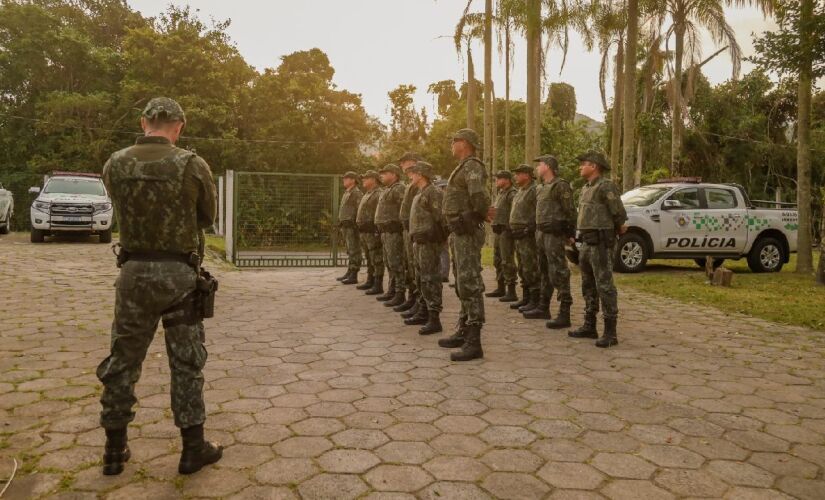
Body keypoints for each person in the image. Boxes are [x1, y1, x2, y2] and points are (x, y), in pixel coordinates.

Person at [97, 97, 221, 476]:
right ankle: (191, 449)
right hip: (179, 277)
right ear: (179, 126)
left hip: (133, 273)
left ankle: (114, 451)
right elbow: (206, 217)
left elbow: (117, 201)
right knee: (186, 362)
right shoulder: (192, 165)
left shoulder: (115, 163)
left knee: (123, 360)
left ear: (143, 121)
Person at [437, 128, 490, 362]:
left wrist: (473, 216)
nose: (451, 143)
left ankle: (474, 341)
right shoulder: (463, 166)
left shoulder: (472, 166)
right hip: (459, 232)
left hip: (467, 232)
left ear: (466, 143)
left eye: (454, 140)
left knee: (469, 282)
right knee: (461, 280)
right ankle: (464, 328)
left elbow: (479, 197)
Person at [568, 151, 628, 347]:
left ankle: (610, 332)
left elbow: (618, 212)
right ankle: (589, 325)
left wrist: (617, 229)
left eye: (583, 164)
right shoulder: (585, 188)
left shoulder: (605, 186)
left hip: (601, 243)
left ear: (594, 166)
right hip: (586, 243)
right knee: (588, 284)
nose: (580, 167)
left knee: (604, 285)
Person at [534, 154, 576, 328]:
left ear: (548, 166)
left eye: (540, 164)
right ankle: (544, 306)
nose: (537, 168)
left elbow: (570, 211)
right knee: (543, 270)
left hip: (554, 234)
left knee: (558, 271)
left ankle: (564, 312)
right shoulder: (542, 187)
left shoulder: (561, 186)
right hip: (541, 233)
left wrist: (569, 232)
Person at [408, 161, 447, 335]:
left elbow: (442, 218)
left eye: (414, 172)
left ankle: (434, 318)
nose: (411, 175)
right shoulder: (419, 193)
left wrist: (436, 237)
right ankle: (423, 311)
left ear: (422, 174)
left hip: (430, 243)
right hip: (419, 242)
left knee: (431, 279)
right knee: (421, 278)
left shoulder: (434, 192)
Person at [508, 164, 543, 319]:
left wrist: (529, 228)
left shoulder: (533, 190)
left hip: (527, 235)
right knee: (522, 266)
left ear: (527, 176)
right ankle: (527, 297)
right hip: (518, 235)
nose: (515, 177)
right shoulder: (521, 191)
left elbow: (538, 212)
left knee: (531, 267)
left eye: (518, 174)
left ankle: (536, 300)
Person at [396, 153, 424, 315]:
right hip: (407, 229)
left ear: (414, 163)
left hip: (415, 230)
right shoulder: (411, 183)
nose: (402, 166)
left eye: (405, 162)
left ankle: (418, 301)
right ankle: (412, 298)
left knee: (416, 267)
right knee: (410, 266)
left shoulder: (420, 183)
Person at [375, 164, 407, 306]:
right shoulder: (387, 189)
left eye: (385, 173)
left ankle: (400, 293)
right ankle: (392, 290)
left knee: (396, 263)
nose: (381, 175)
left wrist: (398, 225)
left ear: (394, 174)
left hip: (394, 232)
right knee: (389, 263)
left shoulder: (399, 188)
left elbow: (404, 209)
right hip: (385, 232)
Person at [487, 170, 518, 302]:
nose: (496, 181)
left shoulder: (512, 194)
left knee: (507, 260)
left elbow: (514, 213)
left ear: (506, 180)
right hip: (498, 230)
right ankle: (501, 287)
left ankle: (511, 290)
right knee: (498, 259)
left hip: (507, 230)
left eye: (498, 179)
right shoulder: (500, 193)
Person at [356, 170, 385, 295]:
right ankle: (370, 280)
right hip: (365, 231)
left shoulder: (378, 194)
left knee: (376, 257)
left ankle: (378, 284)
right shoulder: (367, 193)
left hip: (372, 231)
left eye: (366, 178)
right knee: (369, 257)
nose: (363, 180)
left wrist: (377, 230)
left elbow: (379, 213)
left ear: (373, 179)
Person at [337, 171, 363, 285]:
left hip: (352, 226)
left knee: (354, 250)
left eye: (346, 178)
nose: (344, 180)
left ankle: (354, 274)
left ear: (353, 180)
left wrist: (356, 224)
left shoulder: (356, 193)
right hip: (346, 226)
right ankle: (350, 271)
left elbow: (360, 210)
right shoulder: (347, 193)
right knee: (349, 250)